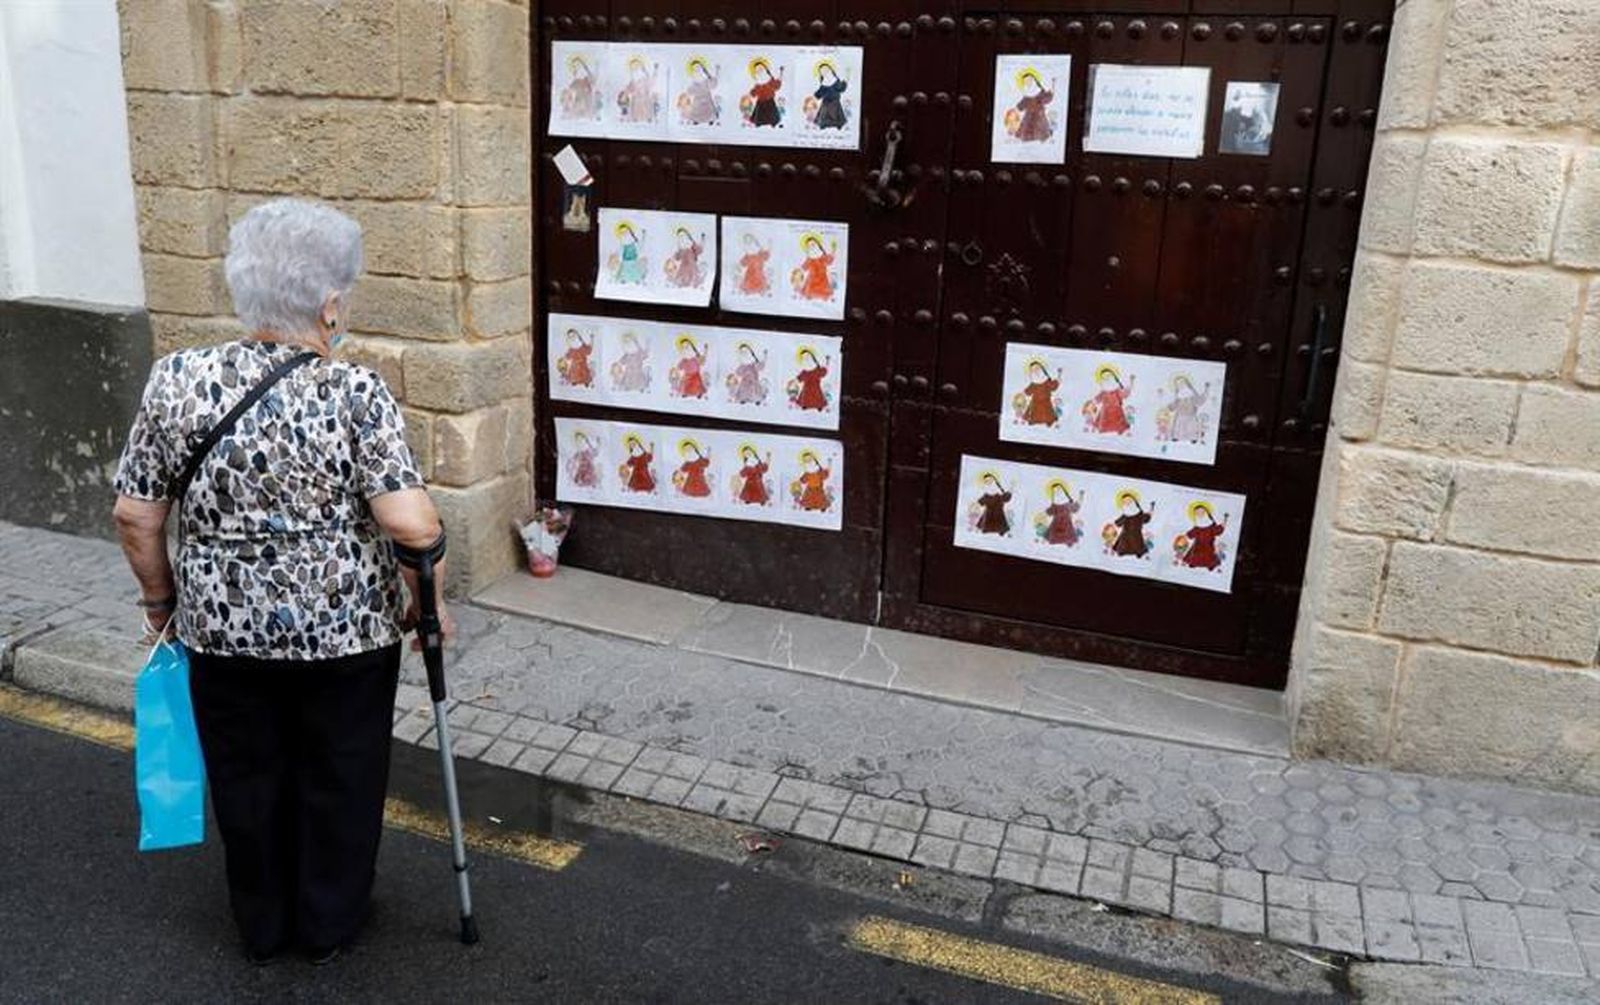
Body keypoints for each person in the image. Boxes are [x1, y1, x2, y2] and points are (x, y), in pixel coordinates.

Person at [111, 198, 453, 966]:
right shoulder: (354, 391)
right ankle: (328, 919)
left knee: (246, 773)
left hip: (223, 634)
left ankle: (262, 925)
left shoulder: (176, 381)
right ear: (330, 304)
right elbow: (413, 525)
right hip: (344, 638)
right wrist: (428, 602)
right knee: (342, 771)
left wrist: (162, 603)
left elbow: (135, 515)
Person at [1181, 505, 1229, 570]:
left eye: (1202, 512)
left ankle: (1210, 565)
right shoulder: (1197, 526)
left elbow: (1217, 531)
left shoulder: (1211, 525)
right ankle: (1194, 563)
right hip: (1198, 544)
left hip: (1209, 544)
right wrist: (1186, 536)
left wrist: (1223, 524)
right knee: (1196, 554)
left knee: (1209, 555)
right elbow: (1192, 533)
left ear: (1206, 512)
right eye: (1197, 513)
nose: (1200, 514)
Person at [1013, 72, 1055, 143]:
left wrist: (1052, 87)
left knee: (1041, 132)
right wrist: (1017, 109)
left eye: (1030, 80)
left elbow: (1047, 98)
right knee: (1026, 132)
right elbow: (1021, 105)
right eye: (1026, 81)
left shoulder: (1040, 91)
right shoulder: (1027, 94)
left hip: (1039, 116)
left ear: (1034, 80)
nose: (1028, 82)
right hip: (1028, 116)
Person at [1110, 494, 1155, 558]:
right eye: (1125, 502)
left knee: (1138, 546)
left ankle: (1139, 553)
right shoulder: (1125, 515)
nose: (1128, 503)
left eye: (1129, 501)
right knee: (1123, 546)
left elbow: (1146, 518)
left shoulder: (1139, 514)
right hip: (1125, 536)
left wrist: (1151, 509)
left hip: (1137, 535)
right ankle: (1122, 552)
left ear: (1134, 501)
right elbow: (1118, 523)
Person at [1019, 361, 1061, 426]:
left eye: (1037, 369)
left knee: (1047, 412)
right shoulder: (1033, 383)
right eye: (1033, 370)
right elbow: (1028, 391)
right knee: (1035, 412)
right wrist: (1024, 393)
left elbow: (1052, 387)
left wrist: (1057, 380)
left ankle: (1049, 421)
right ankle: (1033, 421)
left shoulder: (1046, 380)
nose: (1036, 371)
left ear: (1041, 369)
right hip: (1035, 401)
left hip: (1046, 401)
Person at [811, 62, 848, 129]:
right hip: (826, 102)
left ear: (830, 70)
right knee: (824, 113)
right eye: (822, 71)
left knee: (836, 114)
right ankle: (823, 124)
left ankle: (838, 125)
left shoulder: (835, 80)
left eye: (826, 70)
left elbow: (840, 88)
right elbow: (820, 92)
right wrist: (816, 95)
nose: (825, 72)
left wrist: (844, 82)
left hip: (835, 101)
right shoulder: (823, 83)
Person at [748, 60, 783, 127]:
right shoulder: (758, 84)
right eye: (758, 70)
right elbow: (753, 93)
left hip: (770, 101)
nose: (760, 71)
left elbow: (776, 86)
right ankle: (759, 123)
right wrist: (752, 93)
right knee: (760, 114)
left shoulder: (770, 80)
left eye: (761, 69)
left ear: (765, 69)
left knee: (772, 113)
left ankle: (773, 122)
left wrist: (780, 74)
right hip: (760, 102)